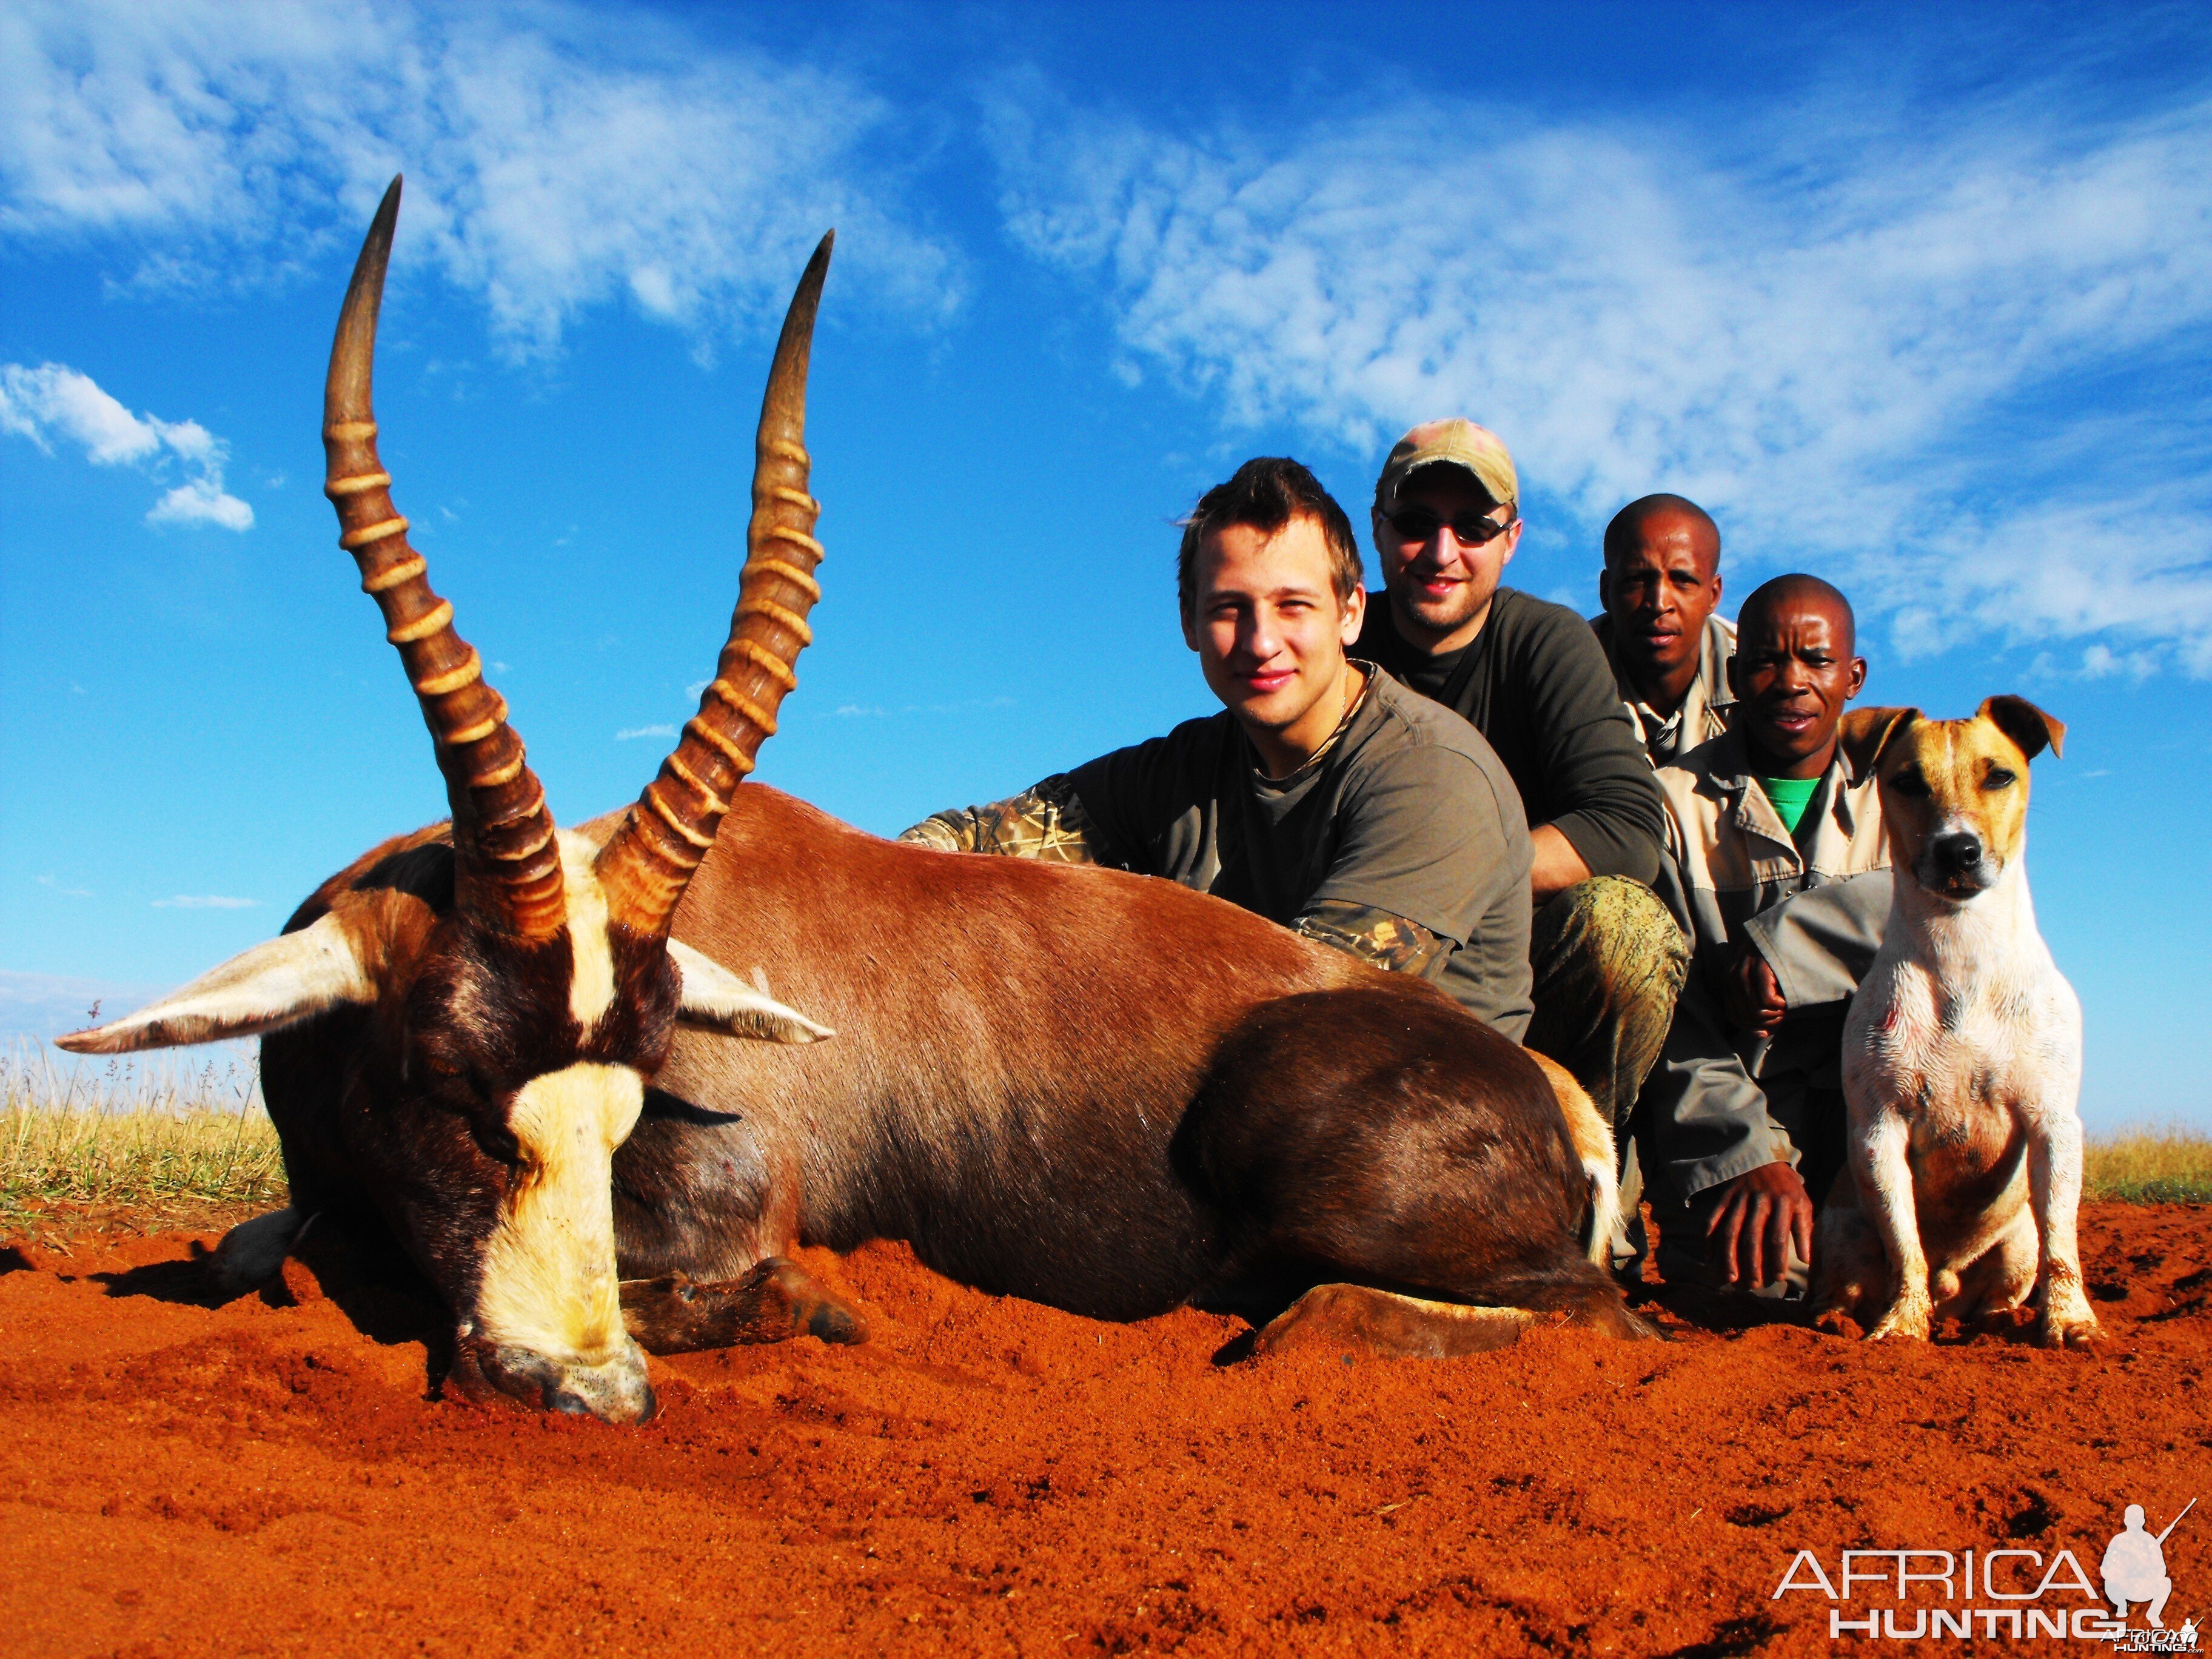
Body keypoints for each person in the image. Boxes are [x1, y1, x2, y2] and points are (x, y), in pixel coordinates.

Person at [901, 456, 1535, 1036]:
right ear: (1189, 623)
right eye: (1231, 608)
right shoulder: (1179, 770)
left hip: (1425, 1130)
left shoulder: (1434, 775)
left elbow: (1312, 1018)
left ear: (1350, 613)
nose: (1261, 642)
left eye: (1294, 605)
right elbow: (970, 840)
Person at [1351, 420, 1686, 1139]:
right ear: (1377, 532)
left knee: (1626, 930)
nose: (1443, 552)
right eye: (1415, 524)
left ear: (1512, 539)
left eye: (1473, 527)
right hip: (1358, 951)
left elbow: (1628, 828)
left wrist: (1447, 885)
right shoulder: (1331, 643)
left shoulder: (1548, 640)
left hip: (1509, 960)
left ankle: (1581, 1181)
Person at [1640, 574, 1893, 1293]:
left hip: (1880, 1116)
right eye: (1764, 662)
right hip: (1745, 1109)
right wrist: (1749, 1154)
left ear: (1853, 676)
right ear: (1733, 673)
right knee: (1759, 1282)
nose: (1791, 683)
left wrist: (1785, 945)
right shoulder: (1671, 807)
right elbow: (1673, 1019)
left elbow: (1956, 902)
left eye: (1815, 661)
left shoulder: (1905, 787)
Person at [1594, 494, 1734, 766]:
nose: (1658, 603)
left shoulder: (1762, 678)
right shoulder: (1561, 675)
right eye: (1636, 580)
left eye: (1683, 580)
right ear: (1606, 591)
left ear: (1713, 595)